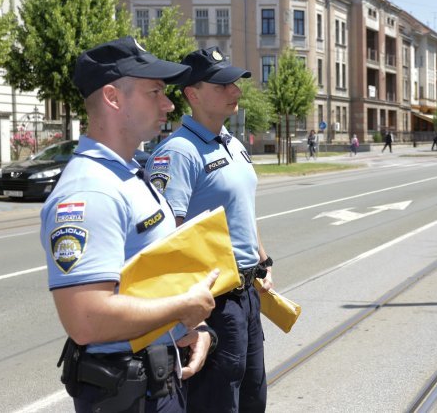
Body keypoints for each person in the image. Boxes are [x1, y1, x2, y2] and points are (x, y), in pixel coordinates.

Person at [40, 36, 219, 412]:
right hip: (126, 393)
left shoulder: (128, 173)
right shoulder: (91, 191)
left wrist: (189, 327)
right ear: (113, 97)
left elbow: (148, 279)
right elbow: (87, 319)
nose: (169, 103)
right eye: (155, 91)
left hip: (154, 377)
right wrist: (183, 308)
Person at [146, 46, 272, 413]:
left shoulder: (231, 142)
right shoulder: (179, 153)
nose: (235, 91)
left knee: (252, 395)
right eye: (222, 85)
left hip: (247, 294)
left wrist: (264, 262)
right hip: (214, 301)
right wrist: (191, 314)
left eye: (234, 82)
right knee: (217, 400)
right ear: (192, 94)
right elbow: (169, 237)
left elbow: (243, 210)